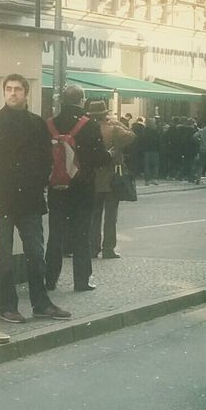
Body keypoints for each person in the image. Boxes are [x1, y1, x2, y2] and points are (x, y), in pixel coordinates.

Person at [0, 74, 70, 323]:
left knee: (36, 256)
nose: (12, 93)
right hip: (1, 202)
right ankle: (8, 307)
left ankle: (41, 304)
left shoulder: (37, 124)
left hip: (30, 201)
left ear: (26, 93)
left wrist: (38, 184)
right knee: (3, 258)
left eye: (17, 89)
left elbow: (46, 160)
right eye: (8, 89)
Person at [45, 84, 110, 292]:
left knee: (55, 234)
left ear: (62, 101)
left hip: (57, 188)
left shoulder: (50, 124)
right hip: (82, 189)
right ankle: (81, 281)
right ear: (82, 101)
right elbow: (100, 159)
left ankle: (50, 279)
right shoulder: (89, 125)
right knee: (81, 234)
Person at [89, 99, 134, 260]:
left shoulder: (88, 129)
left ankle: (92, 248)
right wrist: (119, 123)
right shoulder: (113, 129)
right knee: (110, 216)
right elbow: (131, 136)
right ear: (105, 114)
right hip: (112, 178)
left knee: (94, 216)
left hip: (93, 179)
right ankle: (108, 249)